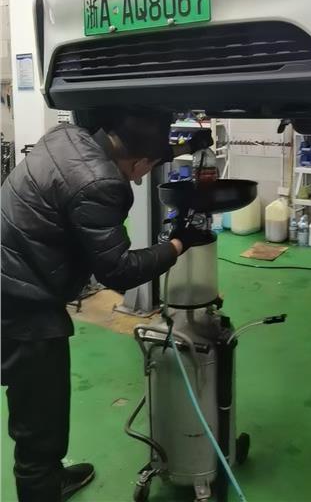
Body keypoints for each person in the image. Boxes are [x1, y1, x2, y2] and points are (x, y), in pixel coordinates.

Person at [1, 108, 212, 502]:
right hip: (21, 304)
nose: (141, 178)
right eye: (143, 170)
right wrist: (177, 244)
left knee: (45, 409)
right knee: (39, 423)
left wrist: (184, 147)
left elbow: (139, 150)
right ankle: (41, 485)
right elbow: (118, 270)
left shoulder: (68, 137)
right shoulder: (101, 183)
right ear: (138, 161)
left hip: (14, 276)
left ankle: (49, 477)